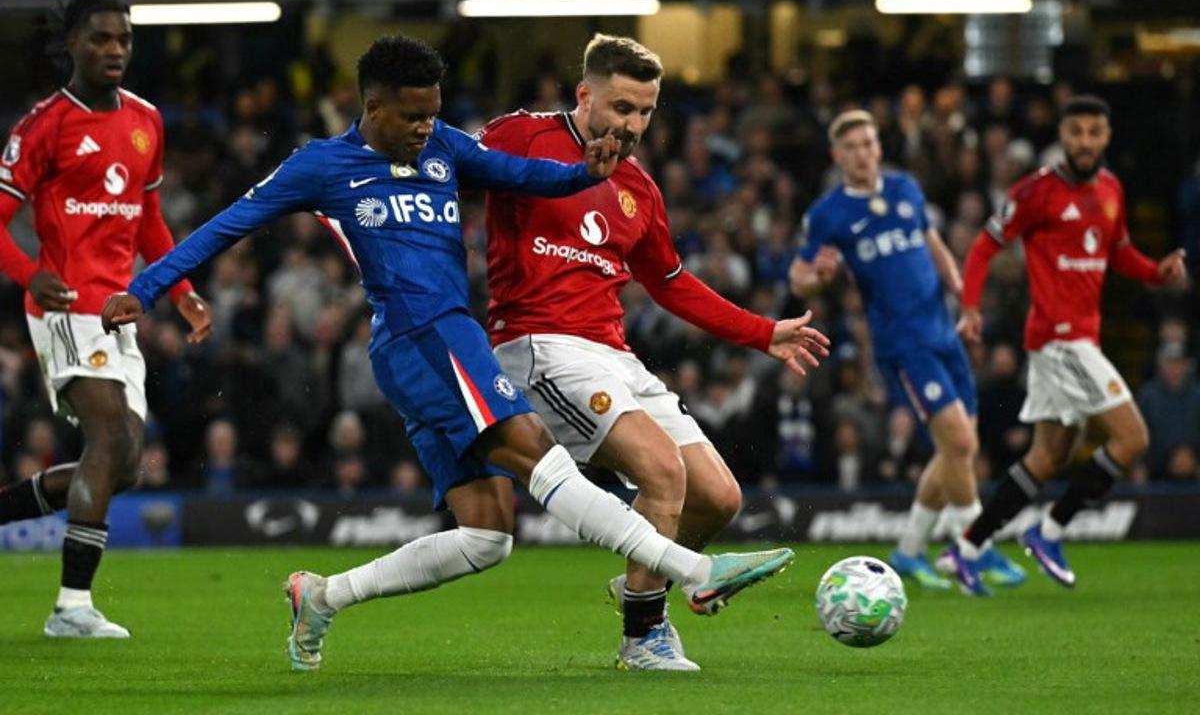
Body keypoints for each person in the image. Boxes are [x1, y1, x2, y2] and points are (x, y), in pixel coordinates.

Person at [100, 35, 796, 672]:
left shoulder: (446, 148)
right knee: (538, 456)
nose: (426, 128)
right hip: (420, 336)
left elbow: (525, 178)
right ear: (372, 107)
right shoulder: (322, 165)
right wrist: (149, 287)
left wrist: (586, 173)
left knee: (486, 536)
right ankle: (691, 573)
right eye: (412, 117)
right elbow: (226, 225)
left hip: (437, 339)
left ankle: (322, 595)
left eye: (434, 114)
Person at [479, 34, 829, 671]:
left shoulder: (637, 185)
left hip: (613, 353)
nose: (632, 125)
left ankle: (646, 580)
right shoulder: (519, 137)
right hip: (539, 345)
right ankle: (644, 637)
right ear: (584, 94)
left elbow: (668, 282)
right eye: (620, 108)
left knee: (718, 497)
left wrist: (760, 331)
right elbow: (449, 168)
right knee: (663, 472)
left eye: (644, 112)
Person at [0, 0, 211, 638]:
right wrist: (27, 270)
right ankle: (71, 608)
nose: (114, 49)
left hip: (120, 312)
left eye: (123, 38)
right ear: (72, 44)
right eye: (99, 39)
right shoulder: (44, 126)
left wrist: (181, 292)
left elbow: (148, 219)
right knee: (107, 438)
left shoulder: (147, 120)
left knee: (123, 467)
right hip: (63, 307)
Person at [945, 95, 1188, 594]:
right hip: (1060, 340)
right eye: (1075, 132)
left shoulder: (1111, 190)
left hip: (1080, 338)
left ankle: (967, 548)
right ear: (1062, 135)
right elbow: (985, 245)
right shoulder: (1037, 192)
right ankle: (1050, 530)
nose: (1084, 142)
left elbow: (1117, 251)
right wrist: (970, 307)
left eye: (1094, 132)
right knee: (1132, 439)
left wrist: (1155, 273)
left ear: (1107, 136)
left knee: (1049, 456)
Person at [789, 109, 1024, 595]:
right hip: (902, 344)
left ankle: (910, 551)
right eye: (851, 146)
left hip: (943, 332)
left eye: (869, 143)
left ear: (879, 147)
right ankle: (973, 548)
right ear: (838, 155)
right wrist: (821, 278)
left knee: (957, 449)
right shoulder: (828, 213)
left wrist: (963, 292)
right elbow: (801, 277)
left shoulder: (904, 189)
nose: (862, 153)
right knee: (959, 445)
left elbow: (932, 241)